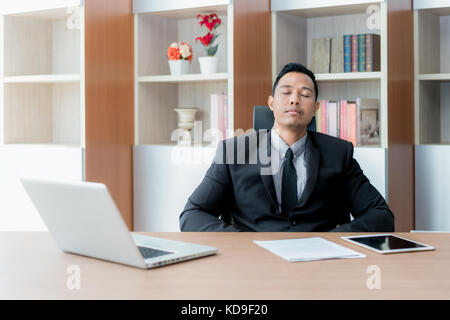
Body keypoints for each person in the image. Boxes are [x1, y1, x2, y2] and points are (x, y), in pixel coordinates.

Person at [179, 62, 394, 232]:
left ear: (315, 109)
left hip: (321, 266)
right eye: (286, 92)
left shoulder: (339, 154)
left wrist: (335, 238)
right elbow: (192, 214)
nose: (295, 100)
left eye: (305, 94)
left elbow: (381, 215)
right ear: (271, 103)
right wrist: (240, 242)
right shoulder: (233, 152)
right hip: (255, 265)